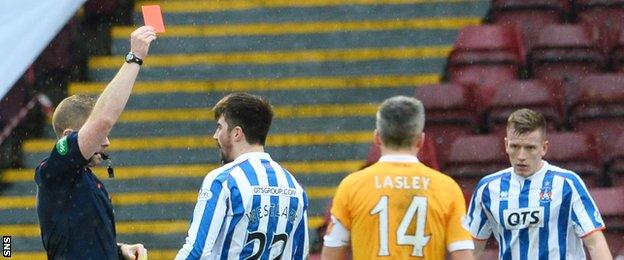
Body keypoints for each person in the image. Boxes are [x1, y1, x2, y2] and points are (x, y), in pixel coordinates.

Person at [35, 26, 156, 259]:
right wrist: (135, 58)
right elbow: (103, 119)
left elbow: (82, 240)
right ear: (68, 135)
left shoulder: (87, 178)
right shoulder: (55, 171)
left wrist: (119, 250)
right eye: (100, 135)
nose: (107, 142)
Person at [321, 96, 474, 260]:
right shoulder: (447, 188)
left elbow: (331, 255)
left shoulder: (351, 186)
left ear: (377, 138)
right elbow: (462, 255)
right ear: (421, 140)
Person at [464, 108, 613, 259]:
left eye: (530, 148)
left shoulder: (567, 184)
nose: (521, 156)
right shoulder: (488, 188)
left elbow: (595, 243)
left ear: (544, 148)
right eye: (515, 146)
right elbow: (472, 250)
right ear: (506, 145)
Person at [175, 92, 309, 259]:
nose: (215, 136)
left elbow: (196, 252)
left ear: (237, 133)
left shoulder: (224, 180)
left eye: (220, 127)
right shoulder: (294, 186)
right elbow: (300, 255)